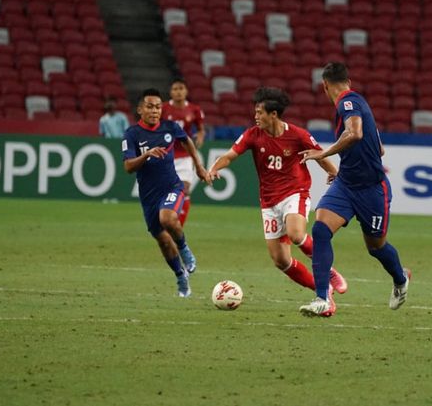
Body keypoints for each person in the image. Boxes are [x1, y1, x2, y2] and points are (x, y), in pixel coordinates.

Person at [207, 87, 348, 301]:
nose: (256, 117)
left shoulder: (298, 134)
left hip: (295, 192)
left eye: (259, 112)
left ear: (273, 114)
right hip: (268, 201)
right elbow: (229, 155)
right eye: (255, 112)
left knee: (296, 233)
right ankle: (323, 290)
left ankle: (328, 272)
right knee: (280, 260)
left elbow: (319, 154)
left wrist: (332, 172)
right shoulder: (252, 135)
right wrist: (215, 168)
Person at [298, 62, 410, 317]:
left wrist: (322, 153)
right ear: (348, 80)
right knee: (320, 229)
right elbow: (379, 148)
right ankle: (321, 298)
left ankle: (400, 278)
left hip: (372, 189)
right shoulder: (360, 103)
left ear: (325, 85)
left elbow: (355, 133)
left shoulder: (347, 102)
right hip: (346, 184)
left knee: (376, 247)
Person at [122, 88, 211, 297]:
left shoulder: (170, 127)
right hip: (148, 196)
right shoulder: (132, 134)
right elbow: (128, 167)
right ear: (140, 109)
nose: (155, 111)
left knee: (168, 218)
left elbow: (187, 140)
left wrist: (198, 166)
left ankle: (185, 250)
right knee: (162, 240)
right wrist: (147, 155)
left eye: (158, 107)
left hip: (172, 186)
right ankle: (181, 276)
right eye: (150, 107)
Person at [160, 79, 206, 226]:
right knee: (165, 192)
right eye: (175, 89)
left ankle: (178, 227)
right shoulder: (163, 108)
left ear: (186, 91)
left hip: (185, 156)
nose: (178, 92)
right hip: (166, 156)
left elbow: (200, 129)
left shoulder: (194, 109)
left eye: (181, 88)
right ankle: (166, 221)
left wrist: (200, 136)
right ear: (170, 92)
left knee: (184, 189)